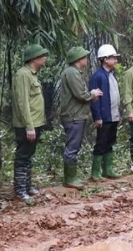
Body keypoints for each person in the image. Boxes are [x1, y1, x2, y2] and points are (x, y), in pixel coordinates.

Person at [55, 46, 103, 188]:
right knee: (72, 147)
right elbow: (80, 95)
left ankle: (72, 177)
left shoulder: (74, 72)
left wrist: (90, 96)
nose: (86, 59)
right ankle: (70, 179)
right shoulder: (72, 73)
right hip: (73, 115)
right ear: (78, 59)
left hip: (76, 114)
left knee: (74, 146)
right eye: (84, 57)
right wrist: (93, 94)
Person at [11, 44, 49, 203]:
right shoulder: (23, 75)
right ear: (34, 58)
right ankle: (20, 191)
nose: (45, 58)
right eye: (42, 55)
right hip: (27, 125)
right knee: (22, 156)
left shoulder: (32, 74)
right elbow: (23, 103)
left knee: (28, 156)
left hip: (35, 122)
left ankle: (27, 187)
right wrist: (29, 126)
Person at [88, 44, 123, 182]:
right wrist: (97, 117)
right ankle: (95, 172)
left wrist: (118, 114)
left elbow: (115, 96)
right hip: (104, 116)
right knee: (101, 143)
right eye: (113, 58)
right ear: (105, 59)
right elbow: (94, 100)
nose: (115, 60)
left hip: (113, 115)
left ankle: (108, 169)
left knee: (110, 142)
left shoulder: (112, 75)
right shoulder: (97, 76)